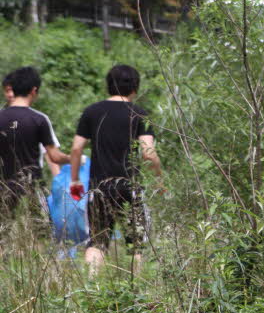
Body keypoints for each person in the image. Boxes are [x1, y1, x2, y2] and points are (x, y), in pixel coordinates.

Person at [69, 64, 162, 272]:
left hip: (99, 187)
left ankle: (92, 291)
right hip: (131, 187)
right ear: (135, 87)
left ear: (108, 85)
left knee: (97, 242)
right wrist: (159, 179)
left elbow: (76, 148)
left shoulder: (92, 111)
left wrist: (75, 179)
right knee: (136, 245)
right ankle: (136, 293)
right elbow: (148, 152)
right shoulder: (139, 114)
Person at [0, 66, 69, 225]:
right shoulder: (39, 119)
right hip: (32, 185)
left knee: (3, 231)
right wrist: (75, 158)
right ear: (34, 90)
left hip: (3, 185)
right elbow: (54, 156)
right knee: (40, 232)